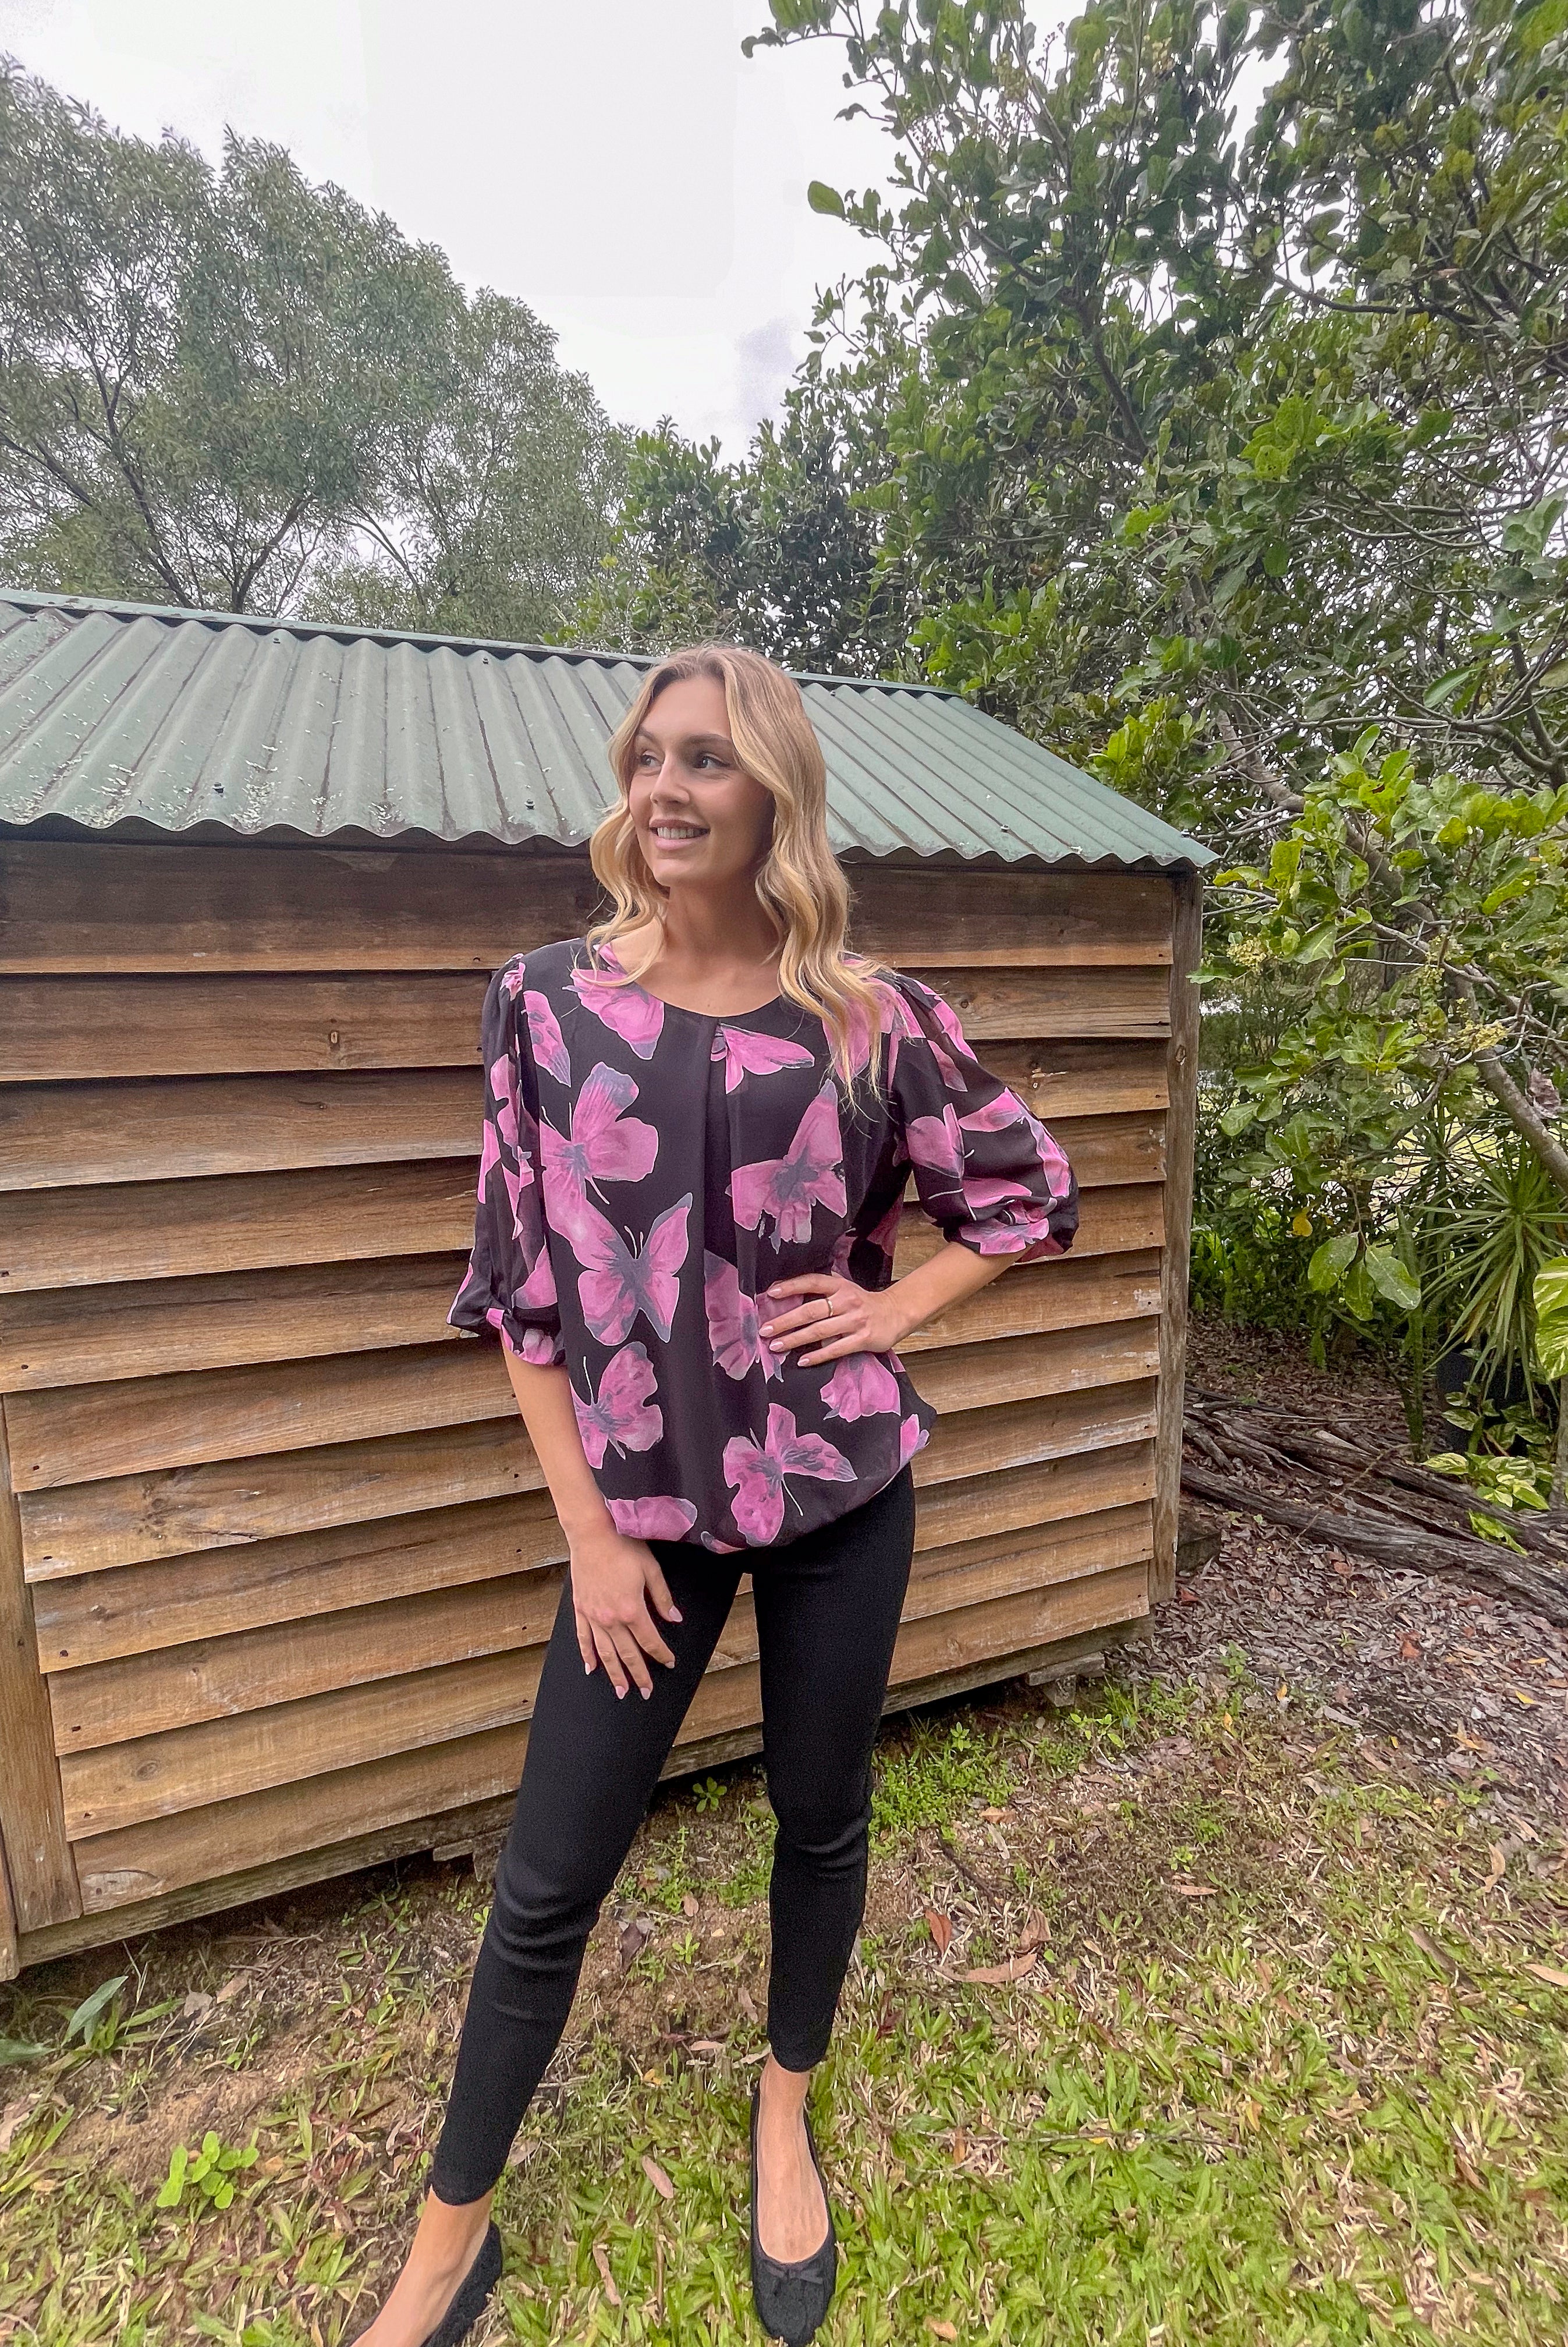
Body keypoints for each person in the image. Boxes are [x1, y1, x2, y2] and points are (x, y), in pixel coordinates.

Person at [351, 644, 1079, 2347]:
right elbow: (521, 1293)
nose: (667, 789)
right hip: (642, 1535)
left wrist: (897, 1310)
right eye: (650, 756)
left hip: (840, 1494)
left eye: (711, 761)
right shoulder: (544, 1004)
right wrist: (592, 1538)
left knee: (820, 1815)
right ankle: (449, 2247)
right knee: (548, 1880)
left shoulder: (871, 1020)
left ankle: (781, 2105)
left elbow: (1027, 1192)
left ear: (777, 798)